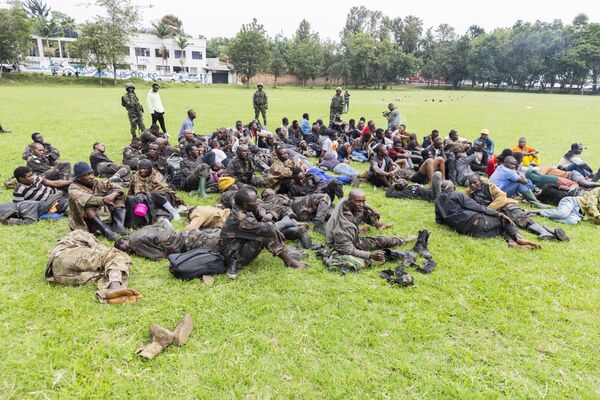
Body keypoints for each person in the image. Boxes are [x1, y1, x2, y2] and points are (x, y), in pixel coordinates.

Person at [218, 188, 308, 279]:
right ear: (245, 204)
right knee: (266, 235)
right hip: (232, 256)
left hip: (235, 247)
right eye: (254, 200)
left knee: (266, 231)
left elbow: (262, 212)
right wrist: (272, 225)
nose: (258, 201)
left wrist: (266, 214)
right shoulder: (242, 219)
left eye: (257, 198)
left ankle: (288, 258)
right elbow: (268, 229)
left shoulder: (241, 208)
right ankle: (290, 262)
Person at [325, 190, 417, 267]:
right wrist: (370, 255)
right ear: (350, 201)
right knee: (378, 241)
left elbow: (359, 202)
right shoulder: (343, 225)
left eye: (363, 201)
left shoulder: (345, 201)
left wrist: (371, 208)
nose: (361, 204)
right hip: (340, 245)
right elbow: (348, 250)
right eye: (358, 201)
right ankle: (400, 240)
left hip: (350, 236)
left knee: (362, 212)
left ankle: (380, 226)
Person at [45, 230, 140, 304]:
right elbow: (109, 254)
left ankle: (106, 296)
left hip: (58, 274)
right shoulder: (81, 233)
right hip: (66, 255)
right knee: (117, 256)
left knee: (107, 273)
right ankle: (115, 287)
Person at [466, 174, 568, 241]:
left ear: (480, 181)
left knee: (520, 217)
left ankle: (544, 232)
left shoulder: (490, 186)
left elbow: (502, 197)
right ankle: (550, 232)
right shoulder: (468, 193)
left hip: (505, 205)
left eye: (475, 182)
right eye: (471, 183)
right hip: (493, 212)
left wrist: (487, 209)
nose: (473, 185)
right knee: (508, 224)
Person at [434, 190, 541, 250]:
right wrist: (498, 213)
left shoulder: (437, 202)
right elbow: (477, 207)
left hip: (468, 231)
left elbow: (439, 220)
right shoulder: (457, 194)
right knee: (504, 219)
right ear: (452, 188)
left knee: (500, 228)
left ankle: (512, 242)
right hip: (476, 221)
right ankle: (519, 237)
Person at [68, 162, 127, 241]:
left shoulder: (96, 182)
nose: (91, 177)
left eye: (91, 173)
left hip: (101, 215)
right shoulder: (73, 189)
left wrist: (114, 194)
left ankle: (118, 225)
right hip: (86, 221)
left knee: (119, 194)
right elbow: (89, 199)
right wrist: (104, 200)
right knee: (88, 205)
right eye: (86, 175)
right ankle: (106, 231)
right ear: (79, 177)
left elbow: (117, 187)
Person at [115, 218, 220, 260]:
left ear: (124, 240)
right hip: (186, 235)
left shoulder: (135, 244)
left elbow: (158, 256)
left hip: (187, 244)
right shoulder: (140, 231)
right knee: (219, 234)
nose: (126, 251)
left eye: (122, 248)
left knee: (222, 244)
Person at [530, 187, 600, 225]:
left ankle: (543, 214)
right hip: (573, 202)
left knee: (572, 221)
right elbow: (591, 204)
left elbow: (595, 220)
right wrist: (597, 215)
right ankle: (537, 211)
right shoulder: (597, 190)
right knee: (562, 214)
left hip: (579, 214)